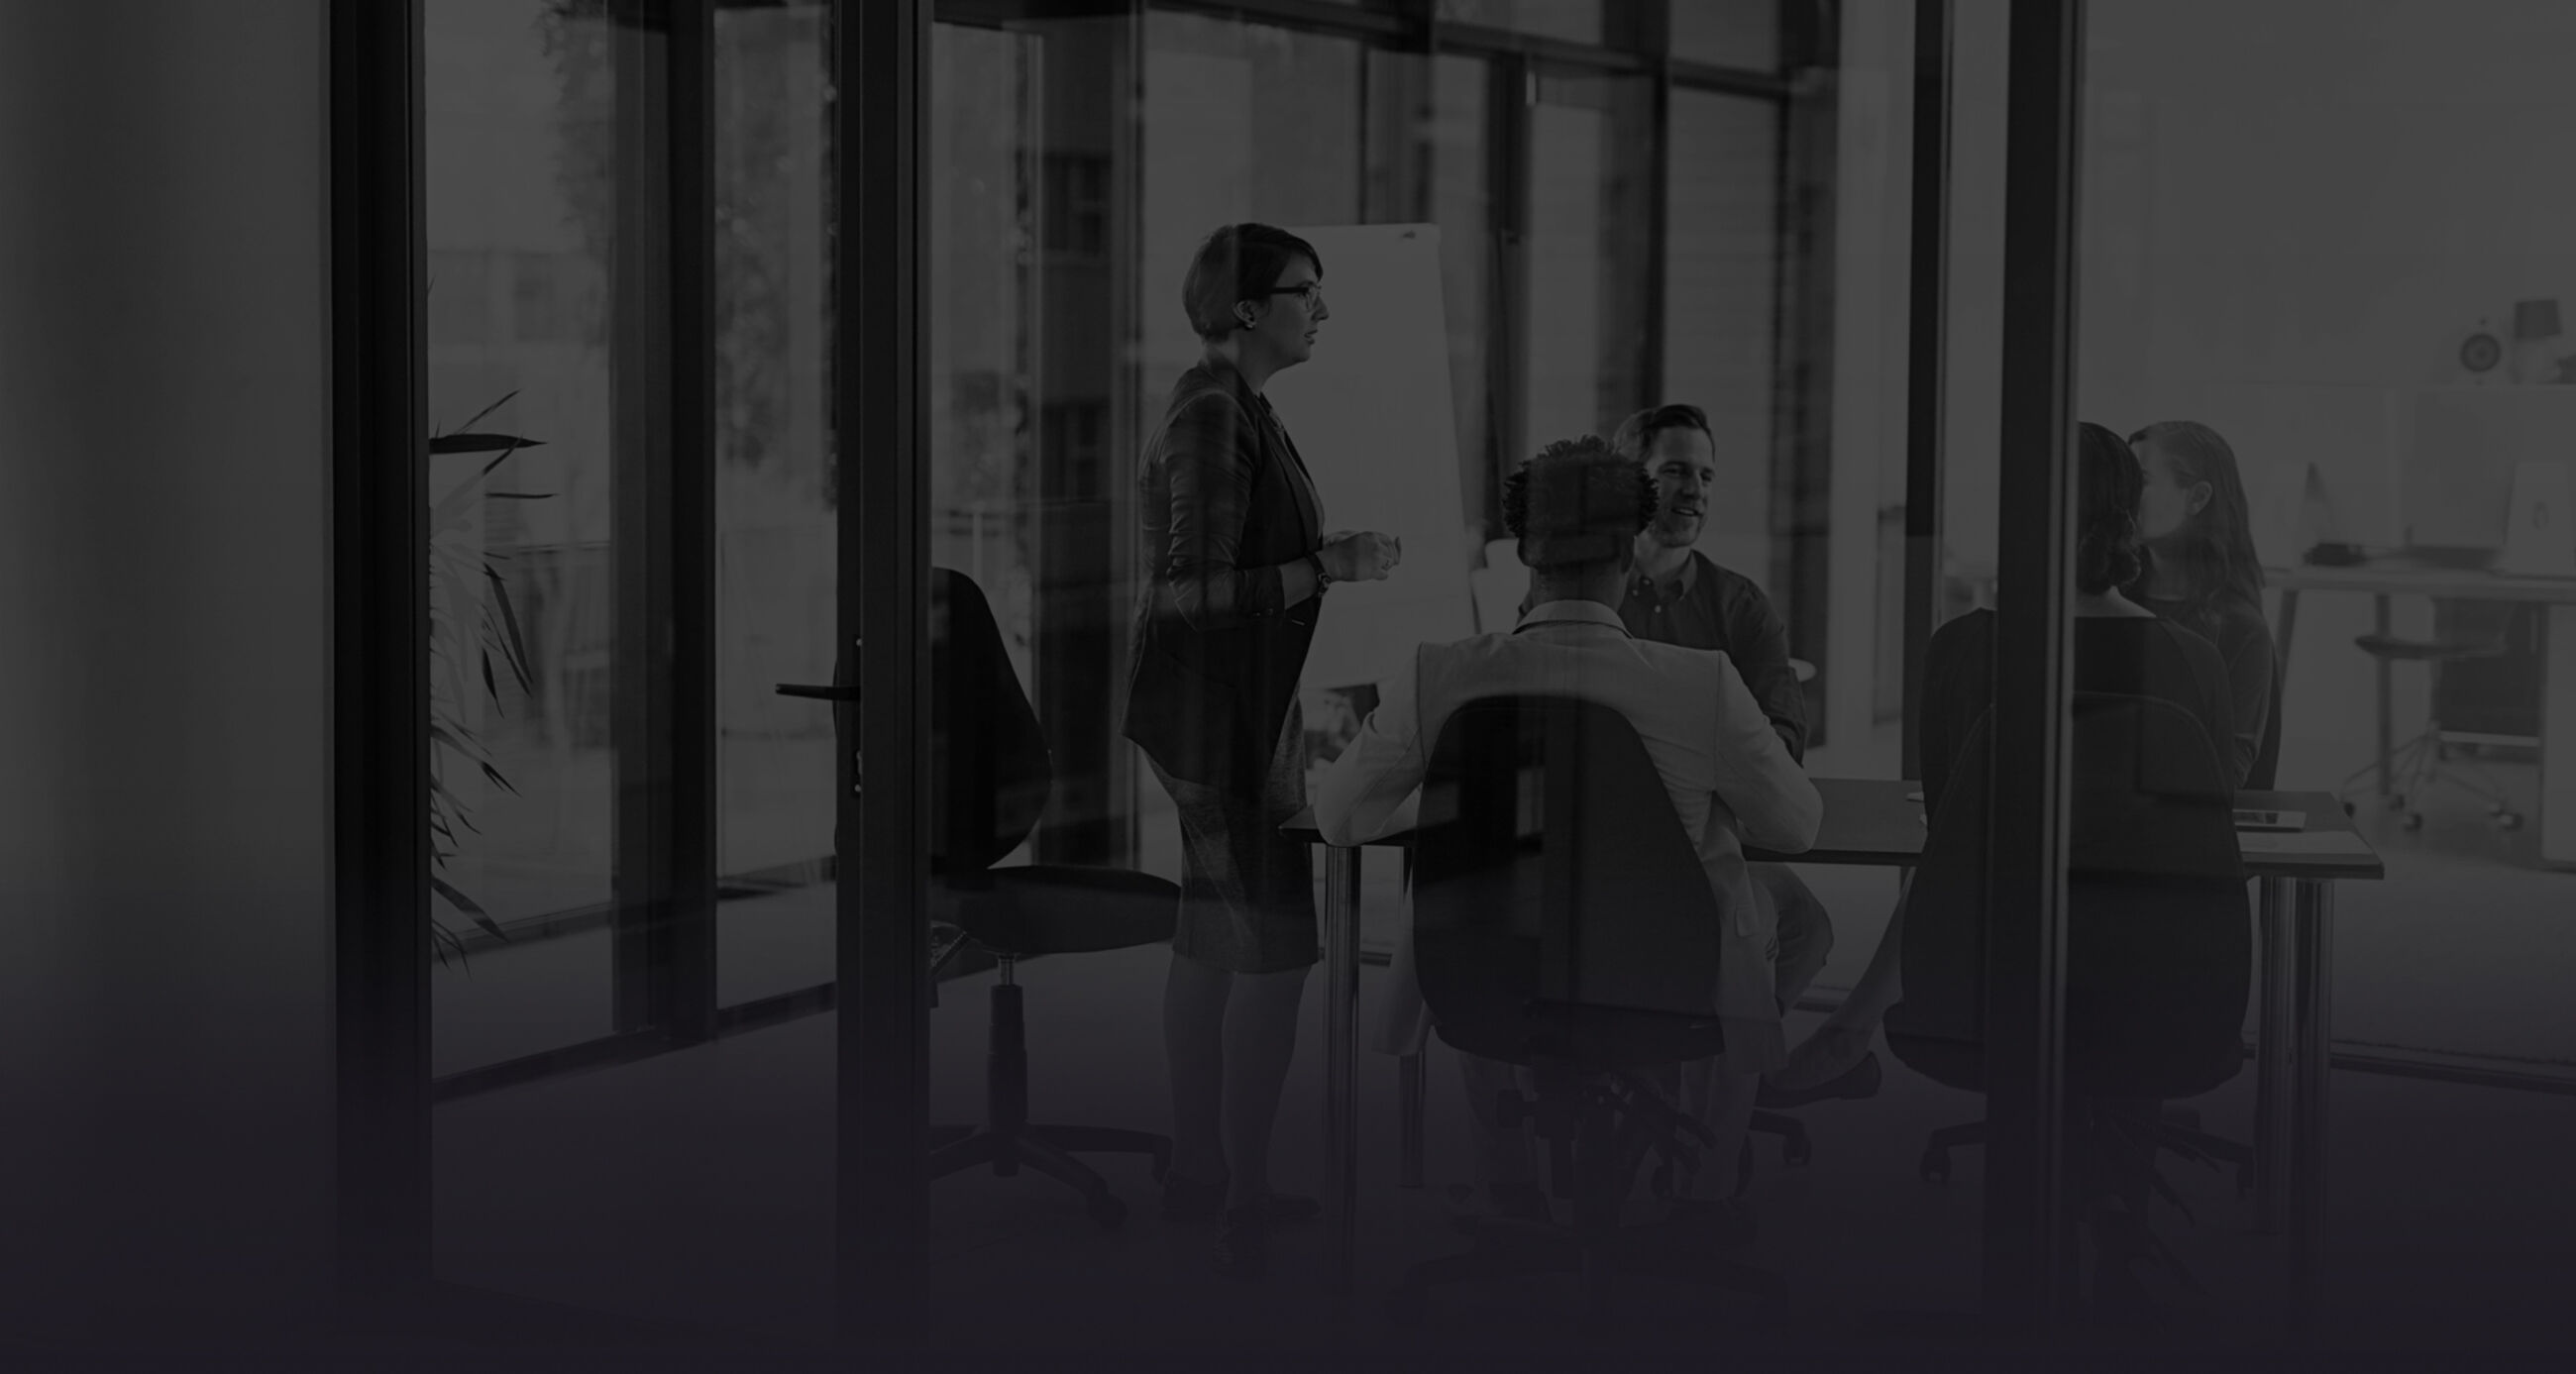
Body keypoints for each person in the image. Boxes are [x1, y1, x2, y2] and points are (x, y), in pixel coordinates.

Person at [1316, 436, 1822, 1241]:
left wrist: (1446, 807)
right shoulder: (1701, 686)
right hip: (1660, 981)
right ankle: (1702, 1192)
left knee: (1482, 907)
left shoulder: (1438, 674)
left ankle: (1509, 1186)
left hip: (1485, 982)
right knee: (1753, 908)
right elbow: (1797, 825)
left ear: (1524, 554)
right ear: (1629, 553)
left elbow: (1339, 818)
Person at [1768, 422, 2234, 1094]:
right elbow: (2206, 832)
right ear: (2128, 519)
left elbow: (1948, 830)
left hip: (1987, 990)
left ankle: (1848, 1029)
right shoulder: (2197, 661)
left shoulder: (1961, 649)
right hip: (2163, 996)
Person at [1124, 223, 1402, 1280]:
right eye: (1305, 292)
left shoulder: (1237, 406)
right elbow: (1188, 597)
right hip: (1215, 725)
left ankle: (1203, 1169)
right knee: (1277, 955)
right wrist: (1329, 565)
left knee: (1207, 941)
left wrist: (1324, 567)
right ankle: (1241, 1187)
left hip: (1239, 714)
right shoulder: (1208, 416)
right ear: (1246, 309)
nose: (1319, 309)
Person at [1599, 402, 1869, 1109]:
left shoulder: (1740, 606)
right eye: (1676, 471)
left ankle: (1717, 1076)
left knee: (1807, 927)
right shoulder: (1585, 593)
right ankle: (1701, 1084)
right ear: (1632, 481)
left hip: (1710, 839)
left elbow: (1783, 740)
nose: (1696, 491)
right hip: (1599, 848)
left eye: (1707, 474)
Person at [2126, 419, 2278, 789]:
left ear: (2197, 498)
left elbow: (2228, 774)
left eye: (2142, 481)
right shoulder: (2105, 602)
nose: (2124, 495)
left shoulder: (2239, 628)